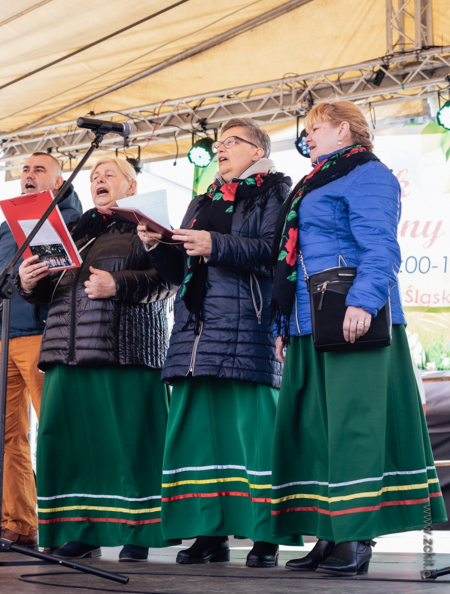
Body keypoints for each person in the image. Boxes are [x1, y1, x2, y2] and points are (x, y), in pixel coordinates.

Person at [270, 101, 447, 576]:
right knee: (318, 431)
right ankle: (328, 534)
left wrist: (363, 303)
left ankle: (355, 536)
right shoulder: (316, 179)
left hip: (352, 314)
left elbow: (382, 246)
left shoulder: (369, 174)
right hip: (311, 319)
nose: (308, 136)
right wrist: (286, 326)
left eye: (315, 128)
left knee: (354, 429)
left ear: (343, 129)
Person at [138, 118, 302, 568]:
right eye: (219, 142)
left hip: (246, 326)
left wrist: (214, 243)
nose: (222, 148)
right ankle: (209, 534)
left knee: (253, 436)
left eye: (233, 141)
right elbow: (181, 274)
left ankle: (266, 536)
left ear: (257, 150)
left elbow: (273, 252)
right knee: (201, 440)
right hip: (194, 332)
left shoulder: (276, 191)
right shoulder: (202, 198)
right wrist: (158, 246)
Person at [16, 157, 178, 561]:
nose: (98, 181)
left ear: (131, 185)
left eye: (108, 175)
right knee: (72, 444)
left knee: (131, 443)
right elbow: (51, 290)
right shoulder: (73, 231)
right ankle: (81, 529)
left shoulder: (149, 226)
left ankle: (138, 531)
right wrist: (30, 284)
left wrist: (118, 284)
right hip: (64, 351)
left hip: (124, 349)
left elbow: (172, 283)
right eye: (93, 177)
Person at [0, 152, 82, 549]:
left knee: (53, 430)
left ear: (58, 179)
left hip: (42, 335)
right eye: (24, 171)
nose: (28, 176)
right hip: (4, 339)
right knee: (8, 435)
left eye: (39, 170)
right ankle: (19, 522)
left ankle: (70, 525)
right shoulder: (5, 227)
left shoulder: (71, 220)